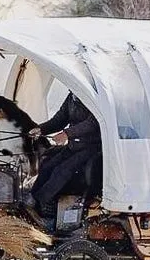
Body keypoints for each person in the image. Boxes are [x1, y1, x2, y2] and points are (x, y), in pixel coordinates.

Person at [27, 92, 101, 230]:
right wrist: (41, 129)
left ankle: (43, 205)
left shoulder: (93, 96)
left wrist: (67, 134)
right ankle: (32, 201)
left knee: (62, 170)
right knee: (47, 165)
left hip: (92, 147)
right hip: (75, 145)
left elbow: (93, 123)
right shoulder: (72, 97)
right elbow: (59, 120)